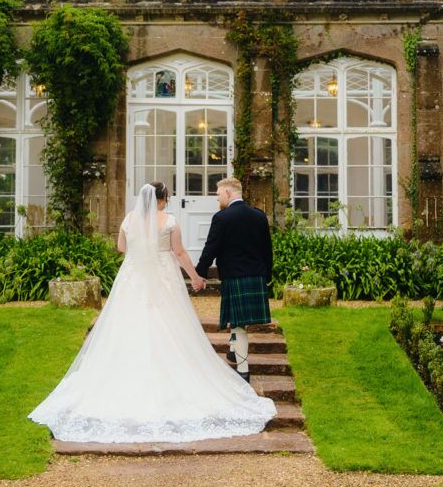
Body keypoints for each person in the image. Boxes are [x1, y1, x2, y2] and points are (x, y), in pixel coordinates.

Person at [27, 182, 276, 443]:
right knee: (170, 325)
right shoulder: (169, 221)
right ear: (163, 199)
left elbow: (122, 248)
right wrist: (195, 277)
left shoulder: (128, 220)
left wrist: (142, 249)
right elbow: (179, 252)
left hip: (132, 279)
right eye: (166, 198)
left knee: (128, 324)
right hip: (164, 278)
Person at [194, 177, 273, 383]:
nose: (217, 198)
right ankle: (232, 350)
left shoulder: (222, 217)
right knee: (238, 322)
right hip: (256, 275)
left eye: (218, 194)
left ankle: (244, 370)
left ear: (228, 193)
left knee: (238, 326)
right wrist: (267, 276)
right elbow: (267, 249)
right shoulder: (259, 215)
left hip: (235, 277)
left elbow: (211, 248)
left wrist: (199, 273)